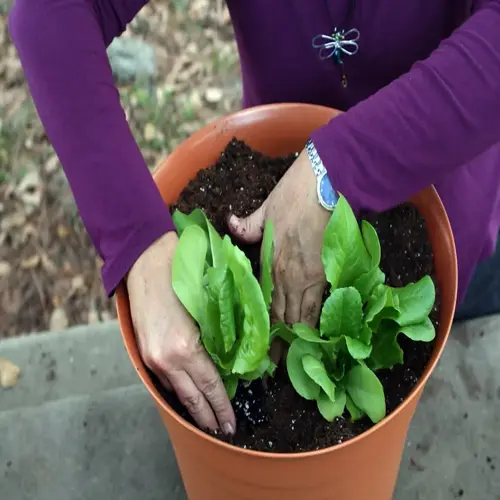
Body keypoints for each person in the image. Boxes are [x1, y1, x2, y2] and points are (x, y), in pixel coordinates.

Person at [8, 0, 500, 435]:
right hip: (266, 193)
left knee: (453, 352)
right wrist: (136, 241)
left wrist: (336, 169)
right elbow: (52, 13)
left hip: (450, 220)